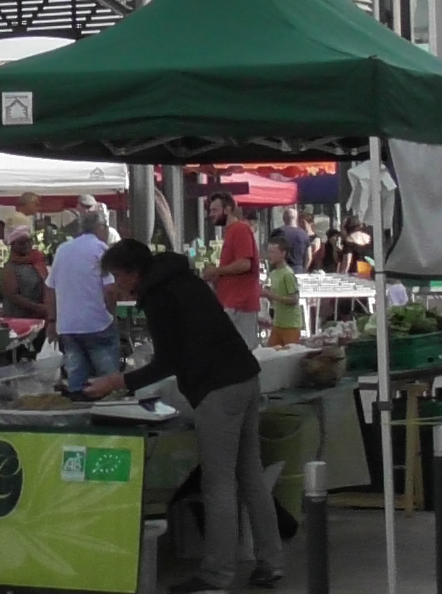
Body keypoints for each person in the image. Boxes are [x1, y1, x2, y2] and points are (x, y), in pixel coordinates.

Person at [83, 239, 282, 592]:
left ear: (133, 272)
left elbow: (167, 360)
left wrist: (119, 381)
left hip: (216, 388)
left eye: (118, 275)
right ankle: (271, 561)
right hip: (246, 378)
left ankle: (217, 573)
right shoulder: (183, 279)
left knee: (219, 481)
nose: (118, 283)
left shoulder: (159, 295)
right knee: (250, 474)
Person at [47, 210, 120, 390]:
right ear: (101, 227)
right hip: (96, 323)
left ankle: (77, 408)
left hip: (68, 326)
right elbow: (110, 290)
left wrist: (51, 320)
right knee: (109, 378)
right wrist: (113, 314)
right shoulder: (101, 250)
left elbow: (49, 287)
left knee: (76, 377)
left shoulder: (63, 249)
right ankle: (108, 412)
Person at [203, 192, 262, 350]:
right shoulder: (232, 231)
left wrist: (216, 271)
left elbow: (244, 264)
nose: (211, 215)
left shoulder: (239, 229)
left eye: (215, 210)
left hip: (239, 302)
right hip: (233, 301)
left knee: (239, 350)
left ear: (227, 209)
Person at [0, 230, 49, 320]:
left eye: (29, 241)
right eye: (21, 242)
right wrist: (37, 307)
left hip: (40, 318)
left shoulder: (37, 261)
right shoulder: (10, 267)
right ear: (13, 245)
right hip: (17, 319)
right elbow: (12, 295)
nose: (26, 244)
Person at [263, 236, 303, 347]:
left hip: (290, 324)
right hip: (278, 322)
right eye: (269, 252)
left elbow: (294, 299)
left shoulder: (288, 274)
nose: (270, 255)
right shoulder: (273, 273)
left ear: (283, 253)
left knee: (289, 353)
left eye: (273, 252)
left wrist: (271, 295)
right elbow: (273, 297)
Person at [271, 207, 309, 274]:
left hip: (281, 269)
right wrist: (304, 270)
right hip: (298, 270)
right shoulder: (304, 234)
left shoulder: (278, 232)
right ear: (296, 218)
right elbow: (309, 256)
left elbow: (272, 251)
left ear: (283, 218)